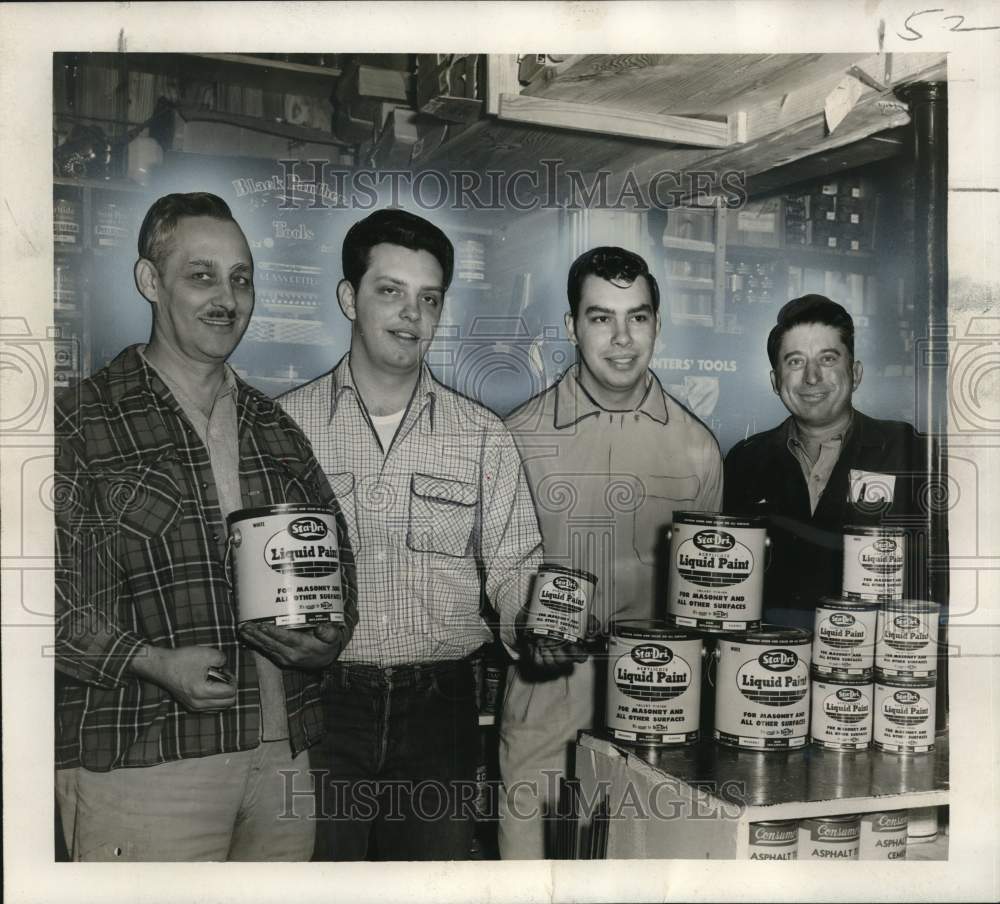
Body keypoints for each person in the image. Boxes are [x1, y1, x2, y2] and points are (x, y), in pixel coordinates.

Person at [54, 192, 356, 861]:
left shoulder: (274, 426)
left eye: (241, 278)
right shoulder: (81, 421)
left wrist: (329, 637)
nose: (227, 297)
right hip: (145, 757)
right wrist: (155, 664)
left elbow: (337, 560)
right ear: (150, 281)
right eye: (202, 275)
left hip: (281, 757)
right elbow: (38, 604)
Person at [280, 208, 543, 861]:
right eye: (389, 291)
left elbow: (516, 570)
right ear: (349, 297)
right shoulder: (285, 429)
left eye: (428, 299)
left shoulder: (481, 435)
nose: (410, 314)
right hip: (322, 705)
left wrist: (539, 624)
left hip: (440, 713)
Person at [498, 246, 724, 859]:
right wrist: (526, 630)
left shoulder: (699, 450)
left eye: (638, 317)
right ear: (572, 327)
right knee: (530, 879)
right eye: (601, 317)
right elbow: (496, 574)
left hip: (660, 703)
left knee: (643, 868)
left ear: (658, 323)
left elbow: (707, 605)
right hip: (548, 696)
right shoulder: (516, 438)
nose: (622, 338)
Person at [724, 294, 947, 628]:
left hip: (875, 662)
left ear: (855, 373)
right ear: (775, 381)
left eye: (827, 359)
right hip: (769, 668)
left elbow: (938, 582)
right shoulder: (745, 460)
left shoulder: (909, 452)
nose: (812, 377)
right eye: (795, 362)